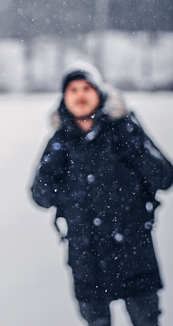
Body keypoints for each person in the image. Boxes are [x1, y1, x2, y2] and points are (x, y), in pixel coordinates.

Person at [32, 61, 173, 326]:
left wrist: (132, 139)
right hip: (87, 259)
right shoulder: (61, 140)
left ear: (100, 93)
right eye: (73, 90)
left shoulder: (125, 130)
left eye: (86, 88)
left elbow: (164, 177)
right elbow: (40, 195)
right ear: (64, 98)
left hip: (134, 252)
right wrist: (56, 168)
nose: (80, 96)